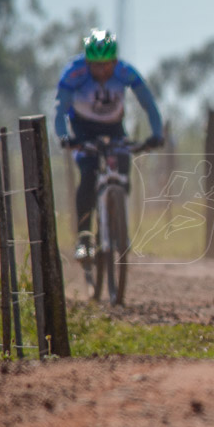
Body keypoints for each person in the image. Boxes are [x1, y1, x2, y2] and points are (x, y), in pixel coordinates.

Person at [53, 28, 165, 263]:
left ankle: (114, 229)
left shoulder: (126, 72)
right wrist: (65, 137)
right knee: (88, 175)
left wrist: (157, 133)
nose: (102, 70)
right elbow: (60, 110)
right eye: (95, 64)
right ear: (87, 61)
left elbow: (148, 103)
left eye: (107, 64)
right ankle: (84, 240)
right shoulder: (74, 73)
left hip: (113, 126)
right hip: (83, 128)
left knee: (123, 169)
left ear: (115, 61)